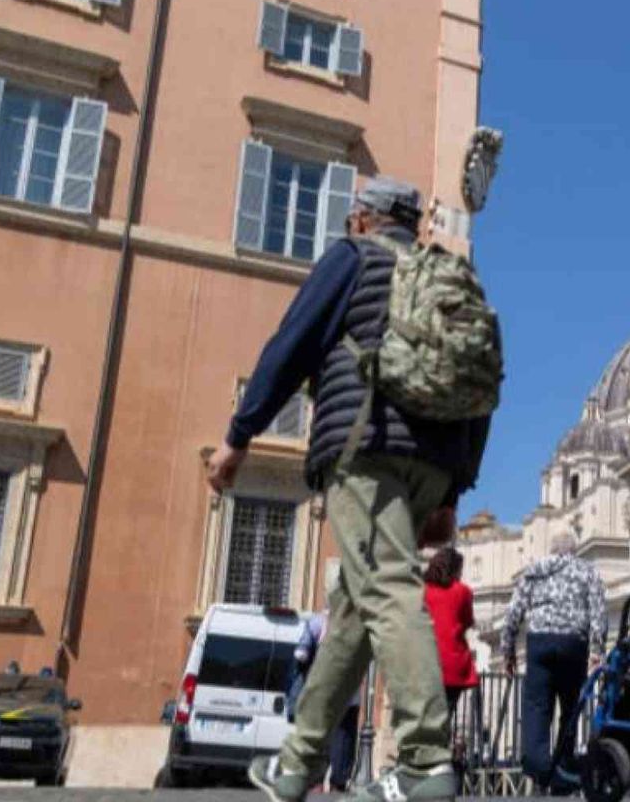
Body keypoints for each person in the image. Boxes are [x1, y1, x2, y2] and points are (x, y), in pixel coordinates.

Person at [209, 175, 492, 802]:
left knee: (388, 591)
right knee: (355, 613)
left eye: (349, 216)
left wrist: (240, 433)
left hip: (364, 451)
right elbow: (480, 386)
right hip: (434, 462)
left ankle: (424, 759)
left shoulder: (352, 259)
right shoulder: (447, 280)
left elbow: (291, 345)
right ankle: (297, 763)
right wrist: (454, 490)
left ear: (364, 219)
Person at [499, 531, 606, 794]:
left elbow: (513, 613)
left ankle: (539, 771)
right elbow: (599, 613)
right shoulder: (587, 571)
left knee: (537, 707)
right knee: (570, 707)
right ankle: (563, 769)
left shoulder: (535, 570)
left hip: (540, 642)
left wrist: (508, 651)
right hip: (573, 643)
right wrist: (596, 649)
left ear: (552, 549)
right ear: (573, 550)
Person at [290, 610, 362, 793]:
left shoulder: (317, 622)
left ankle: (317, 782)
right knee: (344, 739)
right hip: (348, 694)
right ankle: (339, 781)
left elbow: (301, 653)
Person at [423, 547, 479, 727]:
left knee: (422, 717)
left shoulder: (422, 591)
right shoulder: (463, 592)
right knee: (444, 717)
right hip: (452, 664)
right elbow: (468, 621)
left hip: (425, 661)